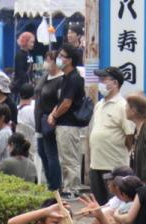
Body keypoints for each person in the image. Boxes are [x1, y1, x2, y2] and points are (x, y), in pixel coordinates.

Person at [87, 67, 133, 204]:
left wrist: (123, 152)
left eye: (103, 80)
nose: (100, 83)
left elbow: (129, 135)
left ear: (115, 83)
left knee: (114, 202)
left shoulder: (123, 105)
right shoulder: (99, 105)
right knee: (99, 203)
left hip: (113, 164)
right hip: (96, 163)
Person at [48, 45, 87, 197]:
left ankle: (72, 189)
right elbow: (60, 101)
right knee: (65, 157)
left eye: (62, 56)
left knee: (70, 158)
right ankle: (67, 186)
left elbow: (67, 103)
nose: (59, 58)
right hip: (63, 123)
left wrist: (55, 115)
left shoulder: (74, 78)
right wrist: (53, 114)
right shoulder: (65, 77)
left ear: (70, 60)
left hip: (69, 124)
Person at [35, 49, 63, 191]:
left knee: (51, 154)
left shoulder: (61, 80)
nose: (47, 62)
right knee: (42, 152)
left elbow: (61, 101)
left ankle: (55, 185)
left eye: (49, 60)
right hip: (39, 121)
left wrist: (53, 115)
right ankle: (49, 182)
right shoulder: (45, 77)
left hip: (50, 121)